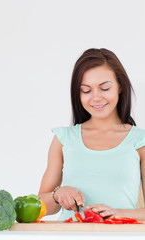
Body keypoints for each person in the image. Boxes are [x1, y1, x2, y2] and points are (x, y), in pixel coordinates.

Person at [38, 48, 145, 221]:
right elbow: (39, 205)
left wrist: (119, 213)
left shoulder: (140, 141)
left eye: (104, 88)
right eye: (86, 91)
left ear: (119, 87)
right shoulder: (64, 138)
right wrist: (58, 194)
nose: (96, 97)